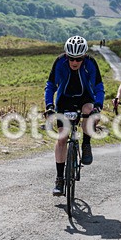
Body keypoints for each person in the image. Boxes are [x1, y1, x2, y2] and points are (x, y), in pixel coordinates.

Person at [44, 35, 105, 196]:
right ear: (66, 56)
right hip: (64, 100)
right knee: (62, 138)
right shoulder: (59, 62)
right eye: (71, 58)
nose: (74, 62)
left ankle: (86, 144)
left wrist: (98, 105)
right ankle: (59, 179)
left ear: (84, 56)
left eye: (78, 59)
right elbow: (50, 86)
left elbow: (99, 86)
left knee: (88, 112)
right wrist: (49, 106)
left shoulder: (90, 63)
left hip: (85, 98)